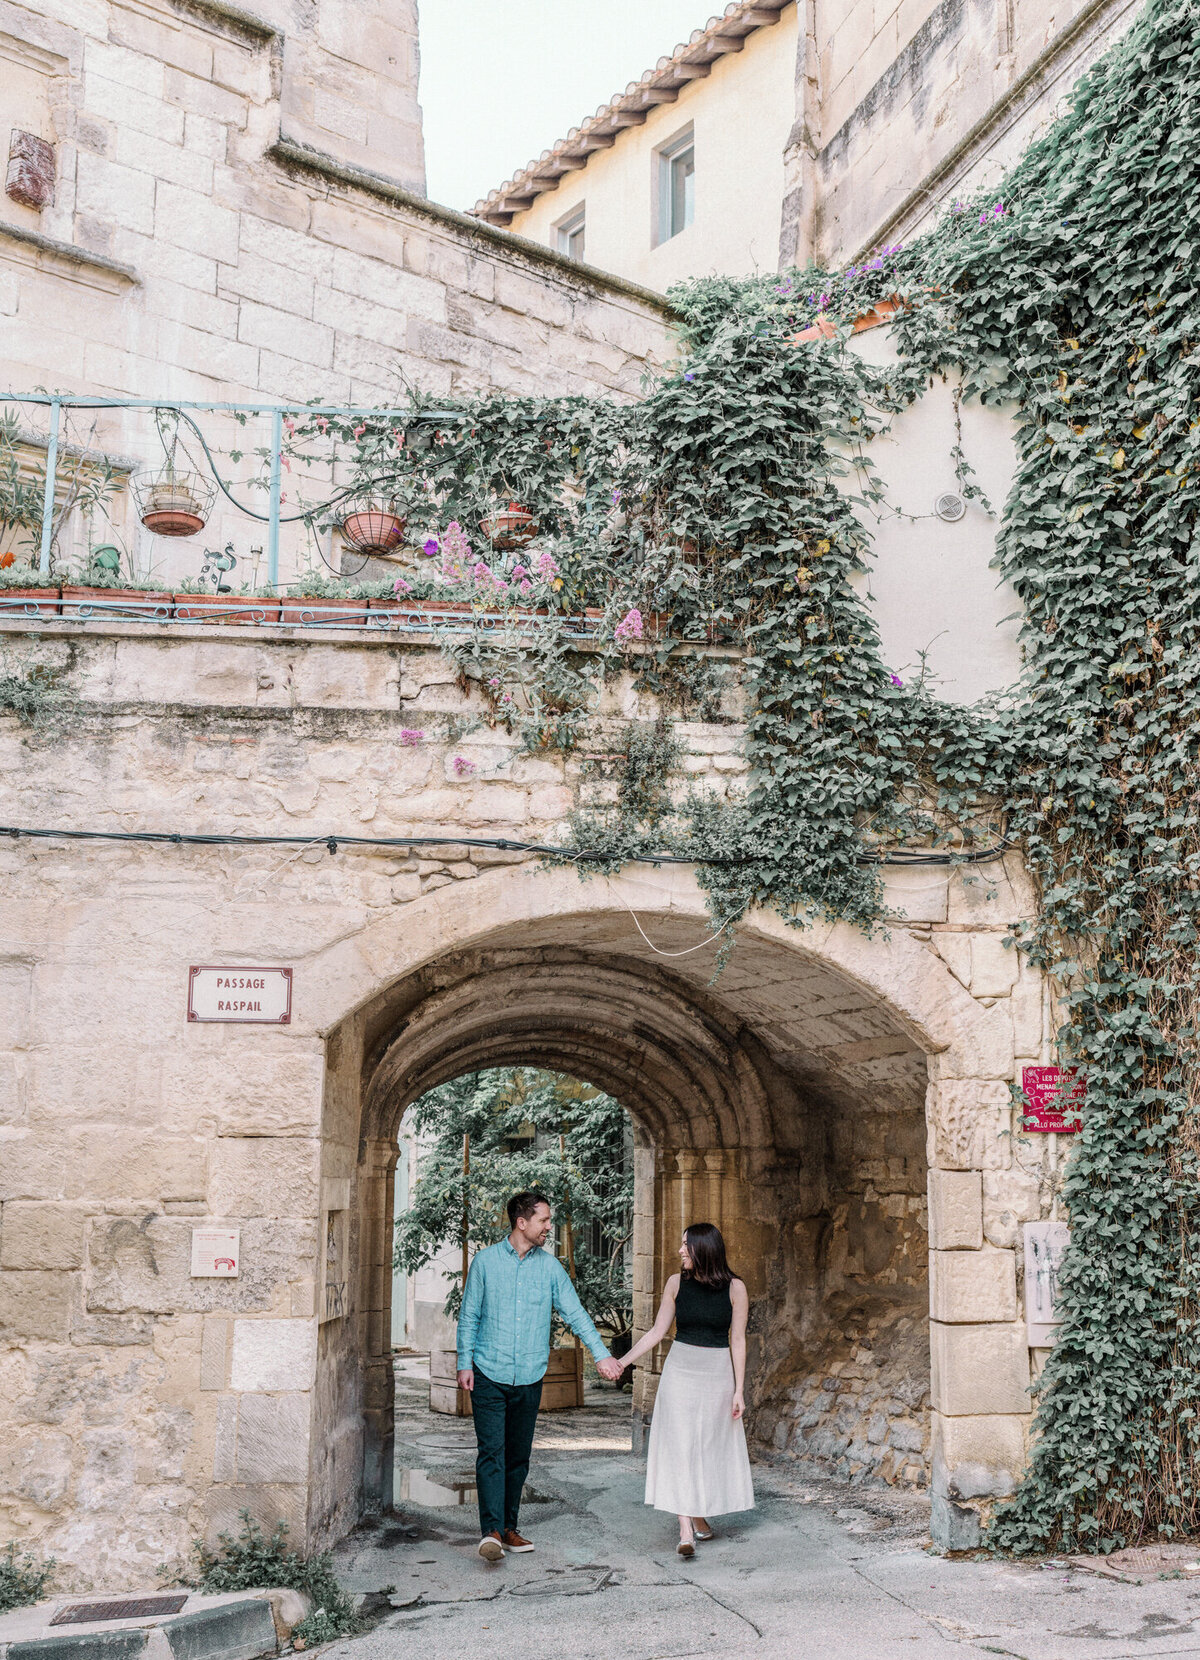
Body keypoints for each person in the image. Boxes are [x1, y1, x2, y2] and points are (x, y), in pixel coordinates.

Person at [456, 1189, 624, 1561]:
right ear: (522, 1222)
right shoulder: (485, 1263)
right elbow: (469, 1316)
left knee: (518, 1457)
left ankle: (510, 1527)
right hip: (488, 1371)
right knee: (492, 1453)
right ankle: (491, 1532)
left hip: (530, 1375)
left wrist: (601, 1355)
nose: (550, 1226)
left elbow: (576, 1313)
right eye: (544, 1220)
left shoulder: (550, 1268)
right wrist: (463, 1363)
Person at [614, 1221, 754, 1557]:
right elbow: (656, 1332)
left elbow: (737, 1340)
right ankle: (685, 1529)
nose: (680, 1251)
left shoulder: (736, 1289)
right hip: (680, 1372)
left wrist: (739, 1390)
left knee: (706, 1446)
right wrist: (623, 1361)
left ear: (704, 1249)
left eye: (685, 1245)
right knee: (680, 1446)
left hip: (717, 1373)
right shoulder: (676, 1283)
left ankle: (698, 1514)